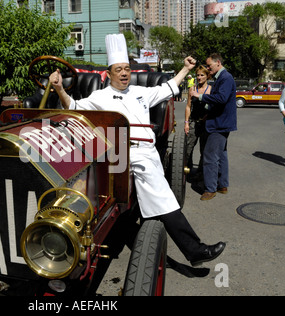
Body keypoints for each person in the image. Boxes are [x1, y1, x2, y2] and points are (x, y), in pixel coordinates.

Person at [49, 34, 225, 266]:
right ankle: (192, 250)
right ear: (109, 74)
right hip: (119, 154)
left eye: (127, 69)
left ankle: (184, 247)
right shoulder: (99, 96)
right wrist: (60, 88)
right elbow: (73, 107)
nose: (124, 73)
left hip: (146, 153)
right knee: (151, 199)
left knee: (161, 200)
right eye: (119, 69)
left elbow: (169, 87)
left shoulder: (141, 92)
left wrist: (185, 68)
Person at [190, 53, 237, 201]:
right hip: (220, 122)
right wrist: (208, 113)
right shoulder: (222, 78)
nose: (208, 68)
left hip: (219, 124)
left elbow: (221, 99)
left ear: (218, 63)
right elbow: (219, 101)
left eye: (209, 65)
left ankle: (210, 189)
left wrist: (200, 96)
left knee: (210, 156)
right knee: (221, 154)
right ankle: (222, 185)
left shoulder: (225, 78)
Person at [184, 65, 212, 175]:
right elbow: (188, 106)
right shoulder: (192, 89)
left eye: (202, 75)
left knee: (204, 150)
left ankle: (200, 172)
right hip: (193, 122)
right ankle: (187, 170)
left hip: (206, 123)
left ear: (207, 76)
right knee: (188, 148)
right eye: (198, 75)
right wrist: (186, 123)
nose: (199, 77)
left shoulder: (211, 89)